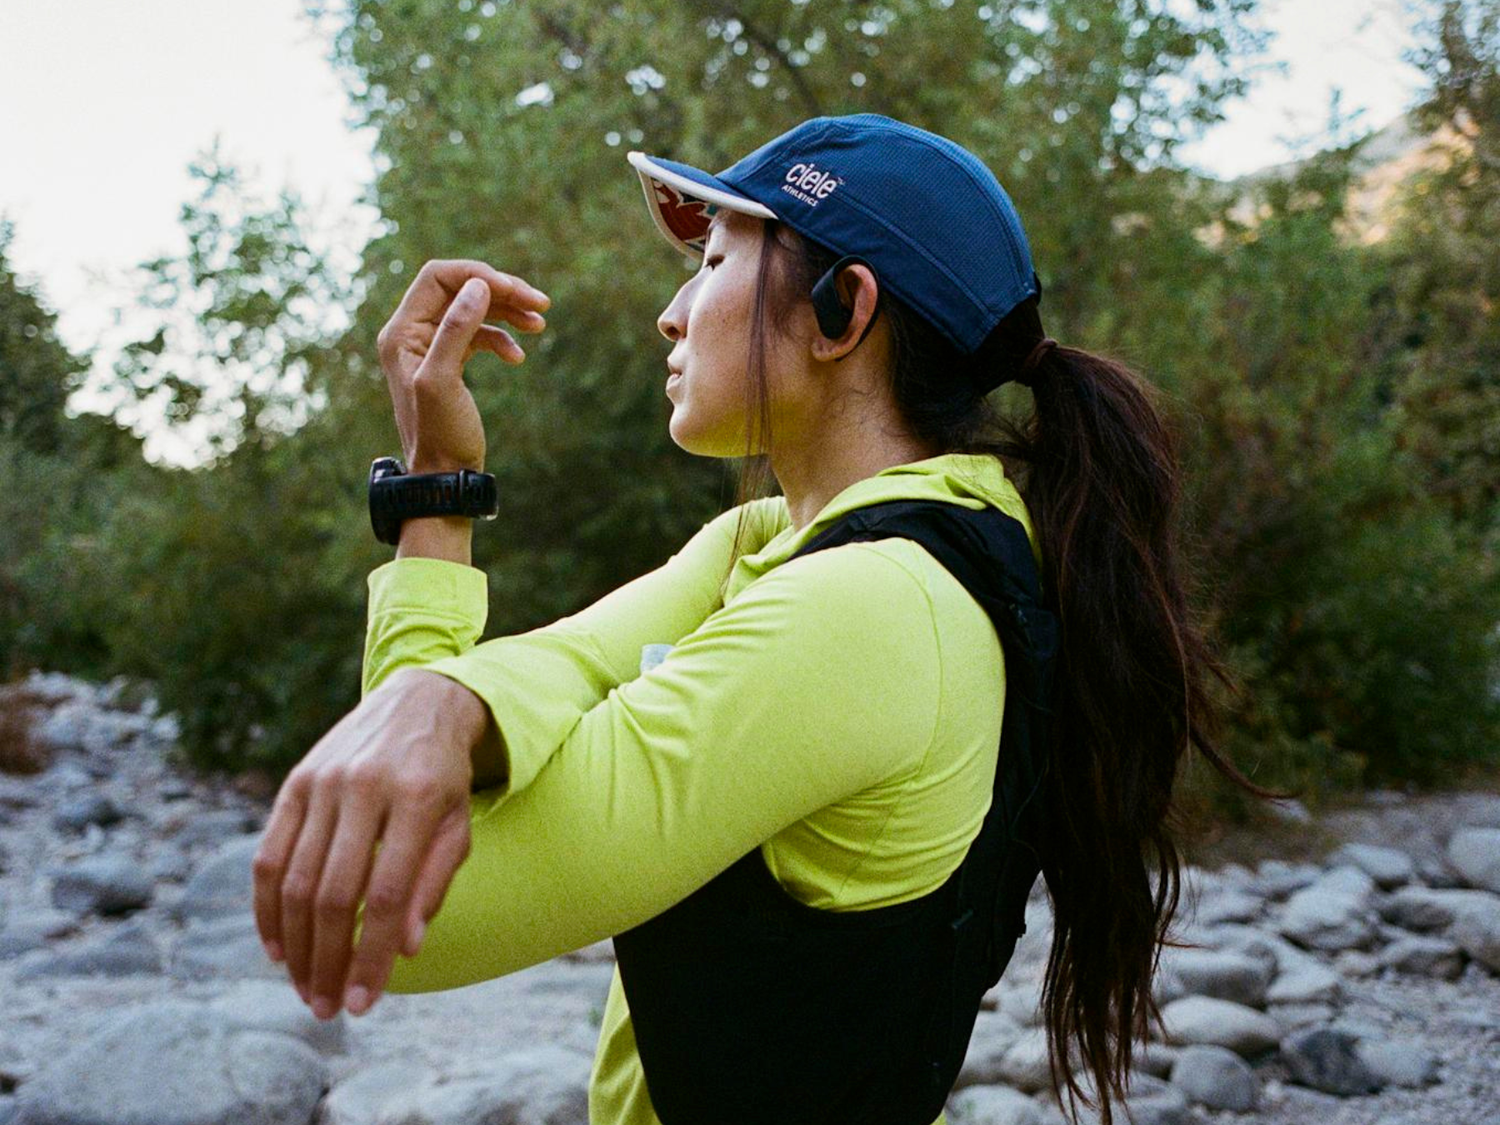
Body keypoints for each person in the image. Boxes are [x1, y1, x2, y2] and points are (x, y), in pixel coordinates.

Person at [251, 113, 1264, 1125]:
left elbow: (375, 914)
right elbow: (562, 665)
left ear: (841, 311)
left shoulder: (871, 609)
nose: (672, 312)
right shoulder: (803, 538)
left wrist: (433, 557)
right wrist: (444, 672)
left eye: (717, 258)